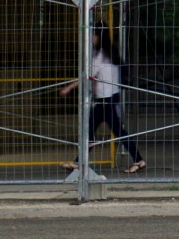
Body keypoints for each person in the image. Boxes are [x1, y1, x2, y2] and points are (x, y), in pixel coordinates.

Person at [60, 25, 145, 173]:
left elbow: (86, 76)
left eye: (93, 34)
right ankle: (79, 162)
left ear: (99, 36)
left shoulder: (99, 55)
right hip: (107, 99)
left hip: (106, 100)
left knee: (104, 131)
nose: (91, 37)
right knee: (99, 131)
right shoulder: (110, 53)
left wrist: (68, 88)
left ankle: (138, 160)